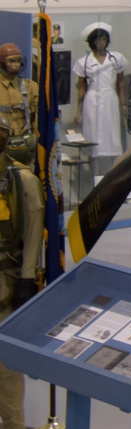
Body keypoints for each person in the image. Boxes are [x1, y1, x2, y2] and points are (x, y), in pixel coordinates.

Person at [0, 116, 33, 429]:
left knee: (5, 367)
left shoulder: (19, 180)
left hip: (5, 283)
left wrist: (26, 279)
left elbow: (35, 226)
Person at [0, 44, 42, 299]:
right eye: (10, 61)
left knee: (30, 213)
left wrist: (28, 277)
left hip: (24, 161)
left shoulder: (30, 88)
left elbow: (39, 124)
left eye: (19, 60)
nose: (15, 65)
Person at [72, 23, 126, 170]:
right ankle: (93, 174)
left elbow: (121, 83)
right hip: (92, 99)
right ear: (92, 42)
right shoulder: (83, 62)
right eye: (97, 40)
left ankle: (114, 174)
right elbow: (82, 87)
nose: (101, 43)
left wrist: (123, 104)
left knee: (113, 136)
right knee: (92, 136)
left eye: (103, 39)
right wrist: (78, 111)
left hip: (110, 98)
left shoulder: (116, 58)